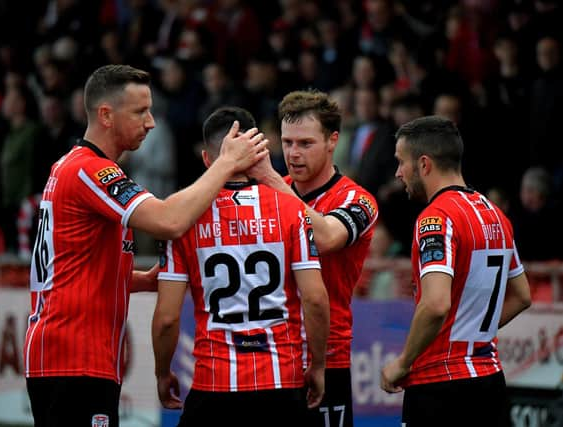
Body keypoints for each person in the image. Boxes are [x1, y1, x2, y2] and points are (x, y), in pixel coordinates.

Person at [23, 64, 268, 427]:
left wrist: (146, 279)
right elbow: (169, 221)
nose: (151, 122)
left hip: (64, 355)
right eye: (140, 111)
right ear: (106, 115)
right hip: (74, 358)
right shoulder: (92, 171)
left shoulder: (70, 166)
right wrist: (226, 163)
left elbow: (69, 269)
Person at [151, 106, 330, 427]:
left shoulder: (179, 218)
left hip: (214, 385)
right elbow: (315, 299)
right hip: (282, 384)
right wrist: (317, 366)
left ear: (208, 159)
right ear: (258, 152)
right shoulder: (292, 209)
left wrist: (162, 372)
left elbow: (167, 318)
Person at [381, 116, 532, 427]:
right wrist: (469, 330)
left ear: (424, 164)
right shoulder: (495, 215)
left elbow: (436, 304)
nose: (397, 173)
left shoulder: (436, 219)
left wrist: (403, 362)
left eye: (400, 162)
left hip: (441, 387)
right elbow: (522, 296)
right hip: (489, 379)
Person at [249, 89, 379, 427]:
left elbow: (325, 237)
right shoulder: (270, 191)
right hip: (273, 357)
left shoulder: (357, 199)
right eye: (288, 142)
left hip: (327, 358)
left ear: (333, 140)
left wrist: (271, 179)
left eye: (305, 143)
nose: (293, 153)